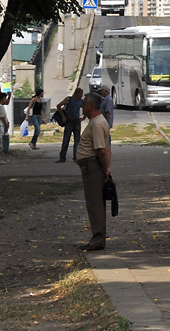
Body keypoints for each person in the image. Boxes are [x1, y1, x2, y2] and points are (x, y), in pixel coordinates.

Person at [75, 91, 111, 251]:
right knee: (96, 202)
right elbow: (106, 149)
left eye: (84, 104)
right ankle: (98, 237)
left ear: (90, 106)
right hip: (93, 166)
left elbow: (101, 150)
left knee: (94, 203)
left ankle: (98, 239)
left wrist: (104, 169)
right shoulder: (99, 121)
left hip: (93, 166)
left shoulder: (96, 124)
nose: (82, 107)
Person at [56, 87, 85, 163]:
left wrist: (83, 117)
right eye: (80, 94)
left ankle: (76, 157)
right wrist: (63, 116)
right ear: (77, 93)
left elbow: (86, 107)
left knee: (77, 141)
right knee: (66, 140)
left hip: (76, 121)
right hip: (69, 121)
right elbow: (58, 106)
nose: (81, 96)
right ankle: (62, 157)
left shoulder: (80, 101)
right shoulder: (69, 99)